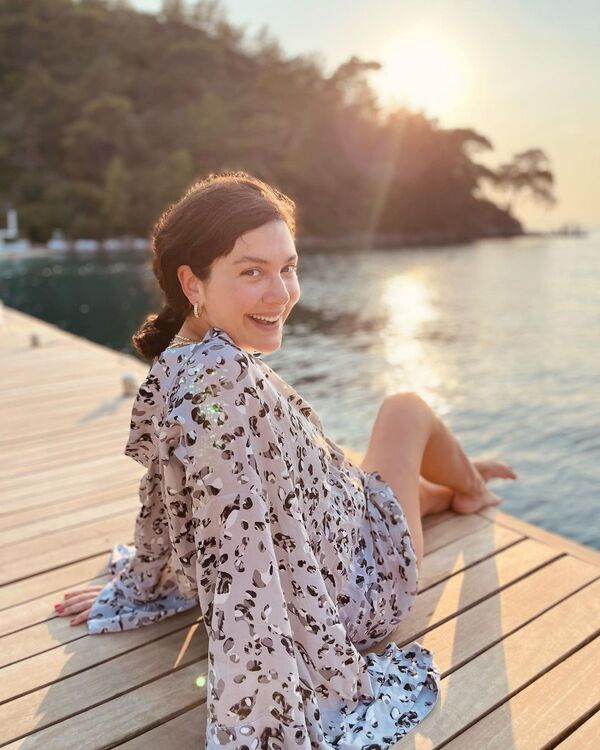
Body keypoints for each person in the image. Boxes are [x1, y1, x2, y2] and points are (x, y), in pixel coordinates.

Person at [55, 171, 517, 748]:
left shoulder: (179, 364)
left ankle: (447, 491)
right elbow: (241, 549)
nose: (281, 294)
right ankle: (472, 487)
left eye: (287, 268)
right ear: (192, 281)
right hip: (357, 588)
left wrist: (146, 577)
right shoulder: (219, 386)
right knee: (404, 409)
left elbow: (165, 492)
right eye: (252, 272)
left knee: (376, 481)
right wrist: (260, 710)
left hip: (328, 520)